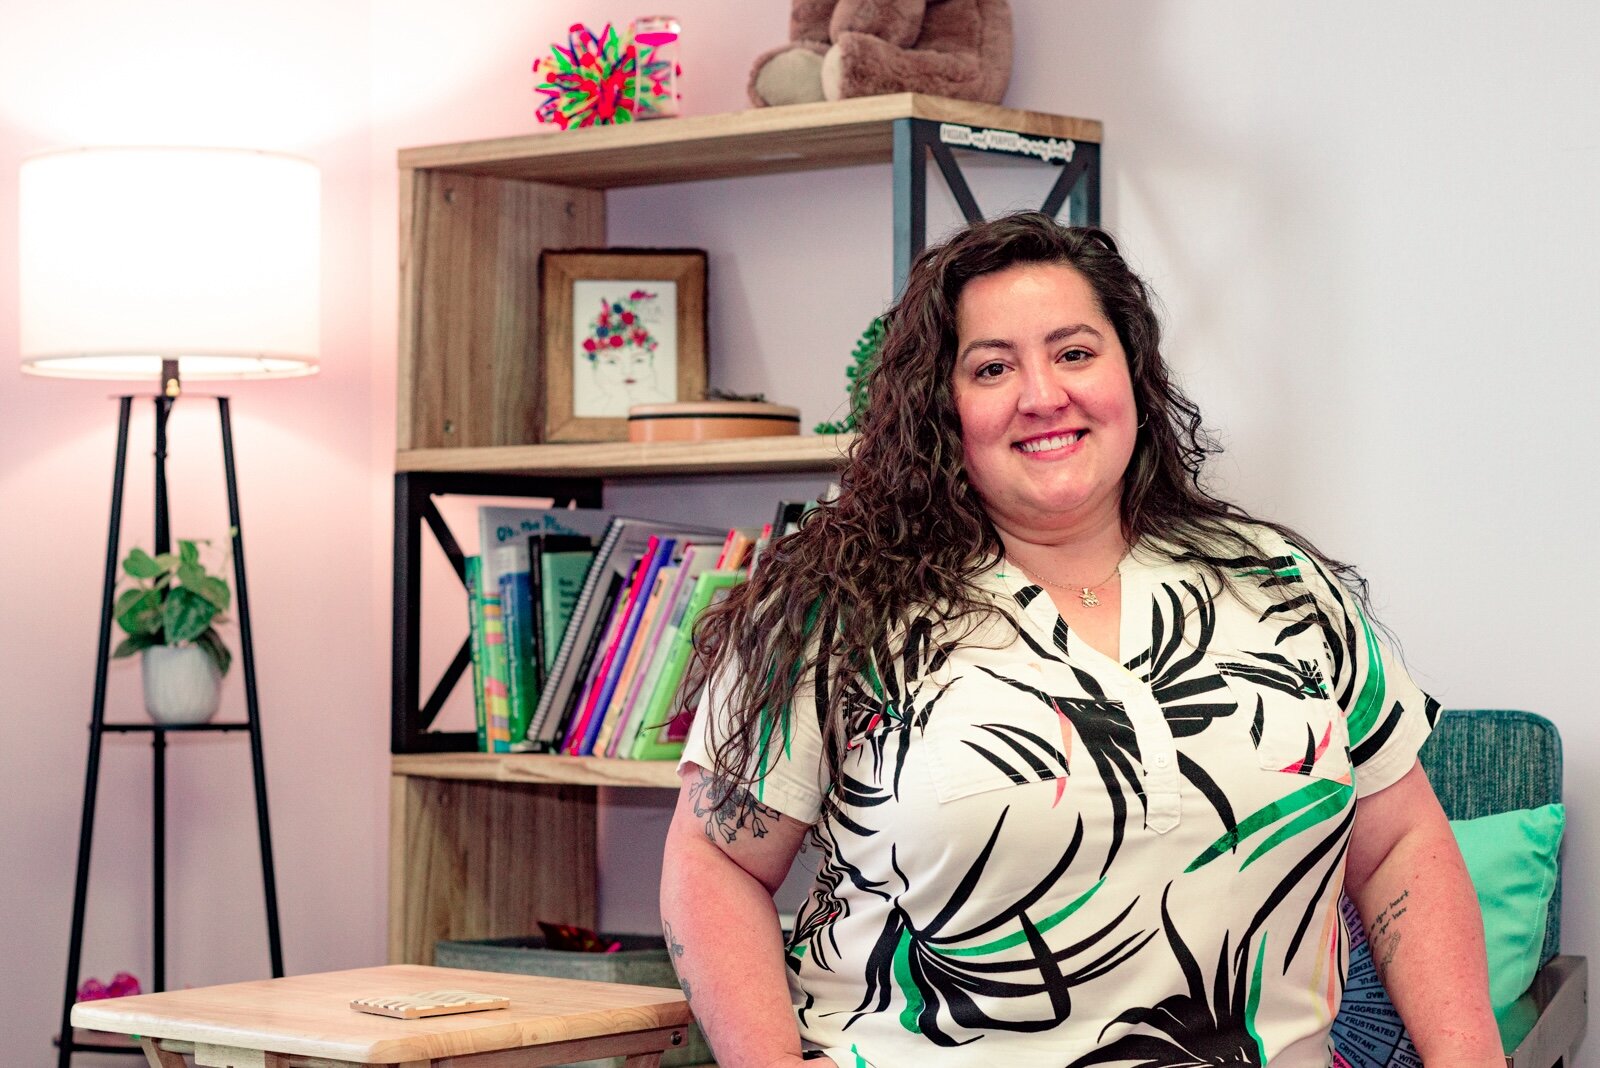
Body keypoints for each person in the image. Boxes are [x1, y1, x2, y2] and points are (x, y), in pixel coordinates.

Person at [658, 212, 1500, 1067]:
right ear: (941, 408)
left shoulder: (1280, 582)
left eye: (1074, 352)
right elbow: (713, 861)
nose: (1043, 394)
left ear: (1132, 374)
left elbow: (1399, 843)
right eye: (993, 367)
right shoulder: (832, 610)